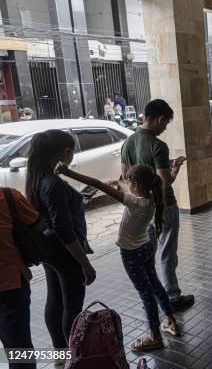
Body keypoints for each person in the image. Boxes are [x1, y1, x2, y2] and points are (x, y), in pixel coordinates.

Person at [55, 163, 182, 351]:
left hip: (131, 253)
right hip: (145, 247)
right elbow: (132, 190)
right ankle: (171, 321)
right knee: (155, 284)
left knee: (145, 293)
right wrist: (120, 183)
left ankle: (154, 336)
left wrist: (67, 172)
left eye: (129, 181)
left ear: (137, 185)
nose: (126, 184)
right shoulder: (152, 197)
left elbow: (97, 184)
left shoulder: (134, 202)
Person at [25, 130, 96, 357]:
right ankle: (72, 356)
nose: (73, 154)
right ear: (66, 151)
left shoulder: (37, 178)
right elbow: (64, 229)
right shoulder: (52, 183)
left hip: (49, 249)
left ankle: (59, 352)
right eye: (72, 150)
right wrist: (85, 264)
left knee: (55, 299)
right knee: (72, 306)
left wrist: (81, 197)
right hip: (65, 252)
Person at [121, 99, 194, 312]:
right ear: (160, 119)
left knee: (148, 251)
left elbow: (126, 175)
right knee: (167, 252)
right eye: (165, 124)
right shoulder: (158, 145)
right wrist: (176, 168)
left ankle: (154, 293)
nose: (164, 128)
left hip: (141, 206)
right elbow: (163, 182)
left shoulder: (129, 142)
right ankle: (172, 295)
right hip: (164, 206)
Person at [0, 187, 44, 369]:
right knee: (19, 349)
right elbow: (39, 225)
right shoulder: (8, 196)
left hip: (11, 282)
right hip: (11, 283)